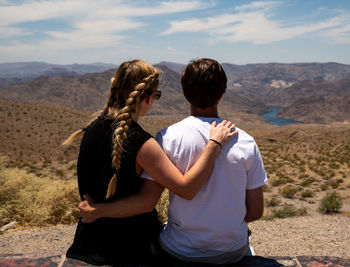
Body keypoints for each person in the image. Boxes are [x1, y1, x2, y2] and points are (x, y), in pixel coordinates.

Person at [79, 58, 268, 264]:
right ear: (222, 94)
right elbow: (255, 211)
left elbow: (148, 198)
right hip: (227, 250)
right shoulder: (246, 142)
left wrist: (96, 211)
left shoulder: (163, 138)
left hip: (107, 243)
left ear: (185, 93)